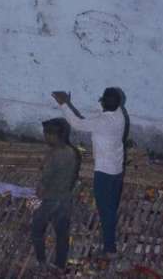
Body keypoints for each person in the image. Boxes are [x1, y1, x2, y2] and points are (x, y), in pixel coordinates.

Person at [52, 88, 125, 258]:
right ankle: (110, 230)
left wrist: (63, 104)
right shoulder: (119, 114)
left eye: (102, 100)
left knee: (105, 209)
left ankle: (110, 248)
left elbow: (77, 123)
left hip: (104, 172)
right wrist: (102, 103)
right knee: (111, 204)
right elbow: (103, 111)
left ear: (104, 102)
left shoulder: (102, 122)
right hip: (117, 168)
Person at [31, 117, 80, 272]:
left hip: (50, 199)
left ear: (53, 136)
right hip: (65, 199)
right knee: (61, 234)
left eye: (46, 134)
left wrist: (36, 195)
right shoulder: (71, 152)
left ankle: (41, 262)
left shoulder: (55, 156)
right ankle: (60, 265)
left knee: (37, 230)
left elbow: (44, 181)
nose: (44, 137)